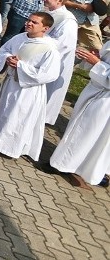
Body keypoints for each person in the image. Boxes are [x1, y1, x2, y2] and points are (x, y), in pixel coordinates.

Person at [0, 12, 60, 161]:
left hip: (28, 89)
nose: (28, 23)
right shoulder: (19, 37)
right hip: (11, 83)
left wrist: (20, 66)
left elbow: (50, 74)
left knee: (17, 117)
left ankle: (7, 147)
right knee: (4, 112)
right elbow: (3, 51)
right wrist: (7, 58)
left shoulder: (49, 48)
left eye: (34, 22)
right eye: (28, 20)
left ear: (45, 28)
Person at [46, 42, 110, 187]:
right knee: (88, 133)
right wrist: (94, 58)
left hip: (105, 99)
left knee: (85, 132)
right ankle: (79, 166)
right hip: (96, 89)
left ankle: (63, 164)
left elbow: (102, 67)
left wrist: (97, 63)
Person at [42, 0, 79, 126]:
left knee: (47, 94)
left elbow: (64, 45)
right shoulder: (51, 13)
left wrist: (41, 44)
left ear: (60, 0)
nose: (44, 0)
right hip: (43, 57)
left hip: (56, 62)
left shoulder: (68, 20)